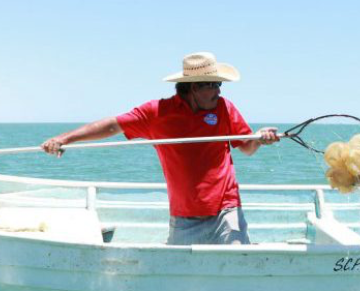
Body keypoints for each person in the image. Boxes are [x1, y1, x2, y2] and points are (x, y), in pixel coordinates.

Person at [41, 52, 280, 245]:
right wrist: (64, 138)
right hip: (184, 217)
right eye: (213, 84)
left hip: (227, 209)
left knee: (237, 267)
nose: (219, 90)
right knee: (183, 280)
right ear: (194, 87)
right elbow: (113, 125)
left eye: (220, 84)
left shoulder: (224, 108)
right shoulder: (157, 113)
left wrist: (260, 138)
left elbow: (247, 147)